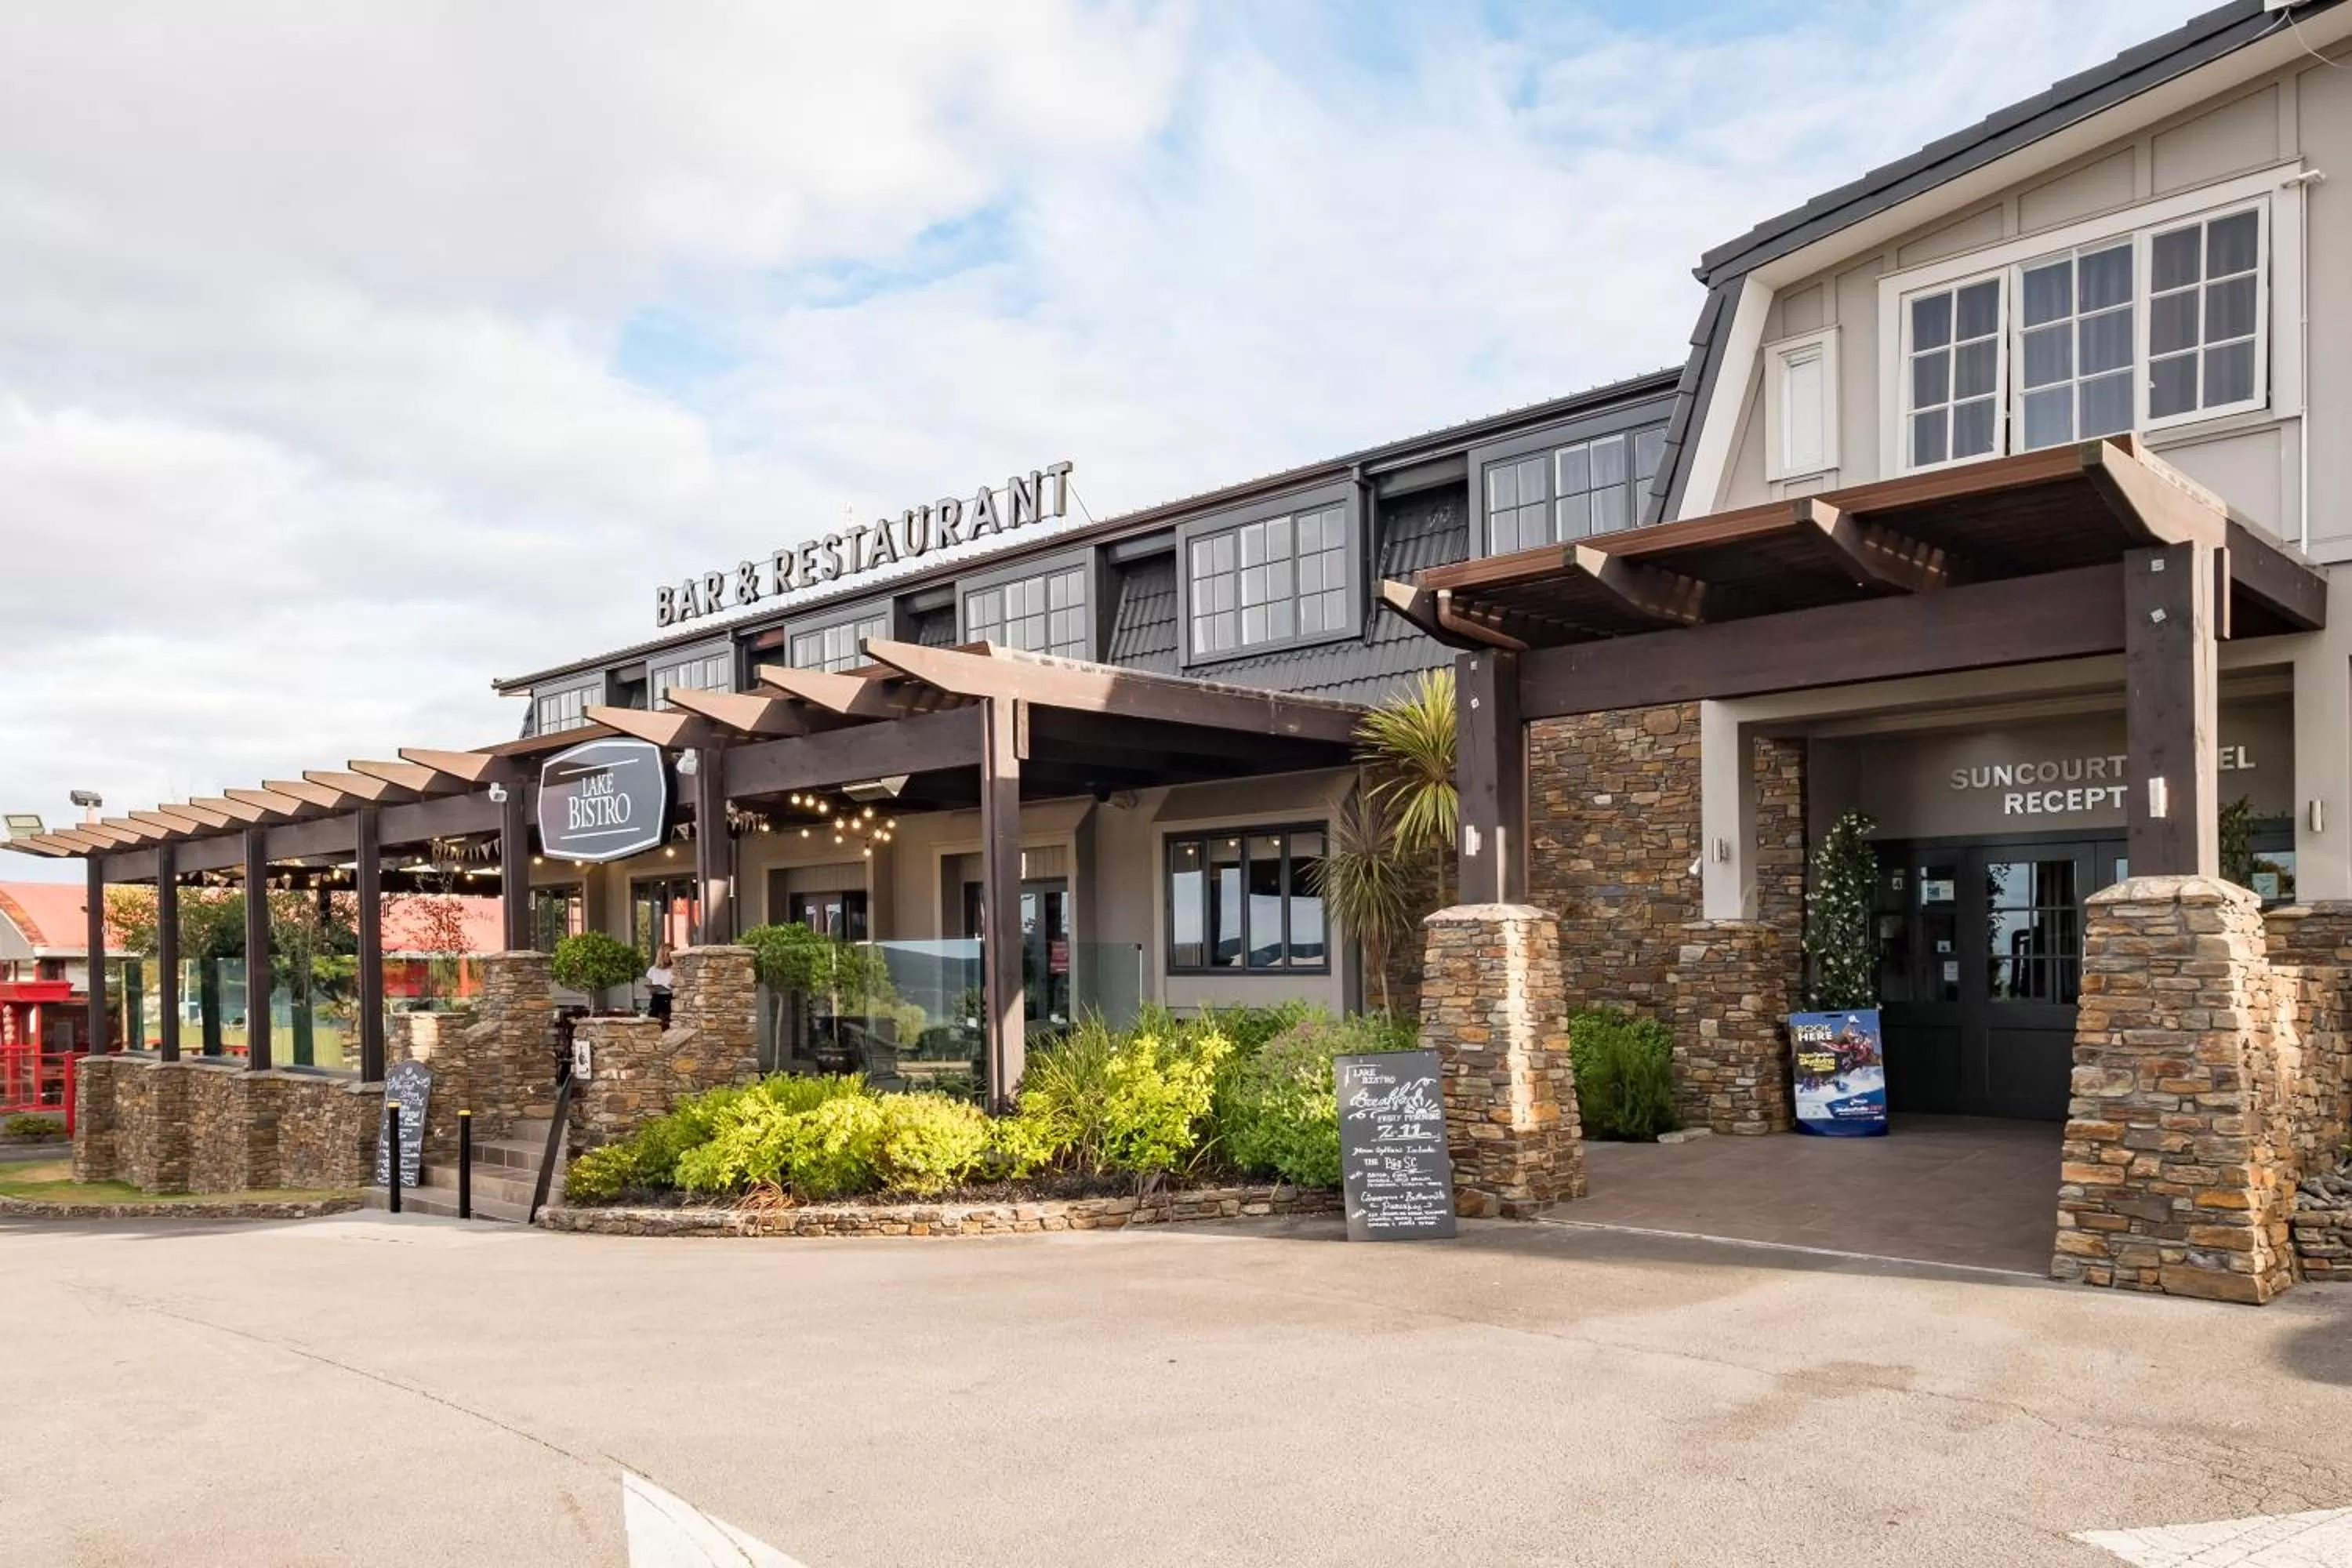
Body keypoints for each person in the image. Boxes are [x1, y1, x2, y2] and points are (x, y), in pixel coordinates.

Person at [645, 946, 675, 1025]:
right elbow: (650, 985)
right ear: (662, 955)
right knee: (652, 1023)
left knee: (667, 1024)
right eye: (668, 955)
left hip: (669, 998)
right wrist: (651, 990)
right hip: (656, 999)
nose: (670, 957)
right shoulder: (653, 970)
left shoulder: (674, 969)